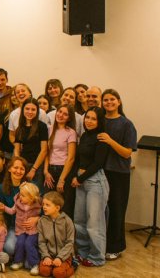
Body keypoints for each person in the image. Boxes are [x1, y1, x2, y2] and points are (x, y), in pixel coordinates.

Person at [100, 89, 137, 260]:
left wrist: (110, 141)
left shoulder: (126, 124)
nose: (109, 102)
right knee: (100, 211)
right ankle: (100, 244)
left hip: (118, 173)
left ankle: (115, 247)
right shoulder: (99, 120)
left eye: (112, 99)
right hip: (100, 172)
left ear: (119, 102)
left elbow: (127, 153)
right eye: (105, 100)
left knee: (116, 210)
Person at [71, 107, 110, 267]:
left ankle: (97, 257)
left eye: (94, 119)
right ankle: (83, 252)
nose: (89, 121)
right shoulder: (85, 135)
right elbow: (79, 159)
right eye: (87, 117)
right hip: (81, 181)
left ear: (100, 121)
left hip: (95, 182)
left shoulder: (102, 137)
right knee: (79, 221)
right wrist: (76, 177)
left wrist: (80, 178)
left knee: (94, 223)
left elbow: (98, 163)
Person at [0, 182, 41, 275]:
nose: (20, 197)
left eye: (23, 196)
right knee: (20, 243)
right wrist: (4, 207)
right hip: (20, 229)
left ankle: (35, 264)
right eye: (20, 194)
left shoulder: (37, 205)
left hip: (33, 231)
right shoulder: (18, 202)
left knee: (29, 243)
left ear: (31, 198)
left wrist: (37, 219)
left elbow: (43, 216)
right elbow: (12, 211)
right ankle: (18, 261)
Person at [43, 105, 76, 216]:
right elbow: (46, 153)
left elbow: (71, 158)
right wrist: (46, 171)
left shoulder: (71, 132)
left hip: (64, 171)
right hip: (50, 171)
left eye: (65, 114)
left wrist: (62, 179)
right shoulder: (49, 129)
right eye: (60, 111)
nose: (61, 115)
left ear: (69, 118)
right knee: (48, 203)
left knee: (64, 206)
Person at [0, 156, 29, 256]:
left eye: (22, 169)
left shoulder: (30, 186)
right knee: (9, 248)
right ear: (9, 169)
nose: (18, 171)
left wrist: (36, 219)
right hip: (14, 226)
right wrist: (1, 208)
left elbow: (39, 208)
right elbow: (5, 212)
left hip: (29, 227)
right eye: (15, 167)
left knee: (28, 245)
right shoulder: (2, 188)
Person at [37, 191, 75, 278]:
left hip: (64, 256)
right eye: (43, 204)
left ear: (57, 208)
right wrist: (46, 256)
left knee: (58, 273)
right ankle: (53, 267)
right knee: (44, 272)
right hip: (49, 255)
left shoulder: (67, 221)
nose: (44, 207)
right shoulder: (42, 221)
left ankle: (73, 265)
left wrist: (60, 258)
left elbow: (70, 242)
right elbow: (41, 242)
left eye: (47, 205)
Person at [14, 98, 48, 191]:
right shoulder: (19, 128)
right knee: (23, 192)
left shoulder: (42, 126)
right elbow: (17, 149)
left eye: (33, 109)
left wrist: (33, 169)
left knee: (35, 193)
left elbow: (44, 150)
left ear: (37, 111)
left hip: (36, 166)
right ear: (23, 110)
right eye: (27, 109)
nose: (30, 112)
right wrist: (19, 165)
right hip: (23, 166)